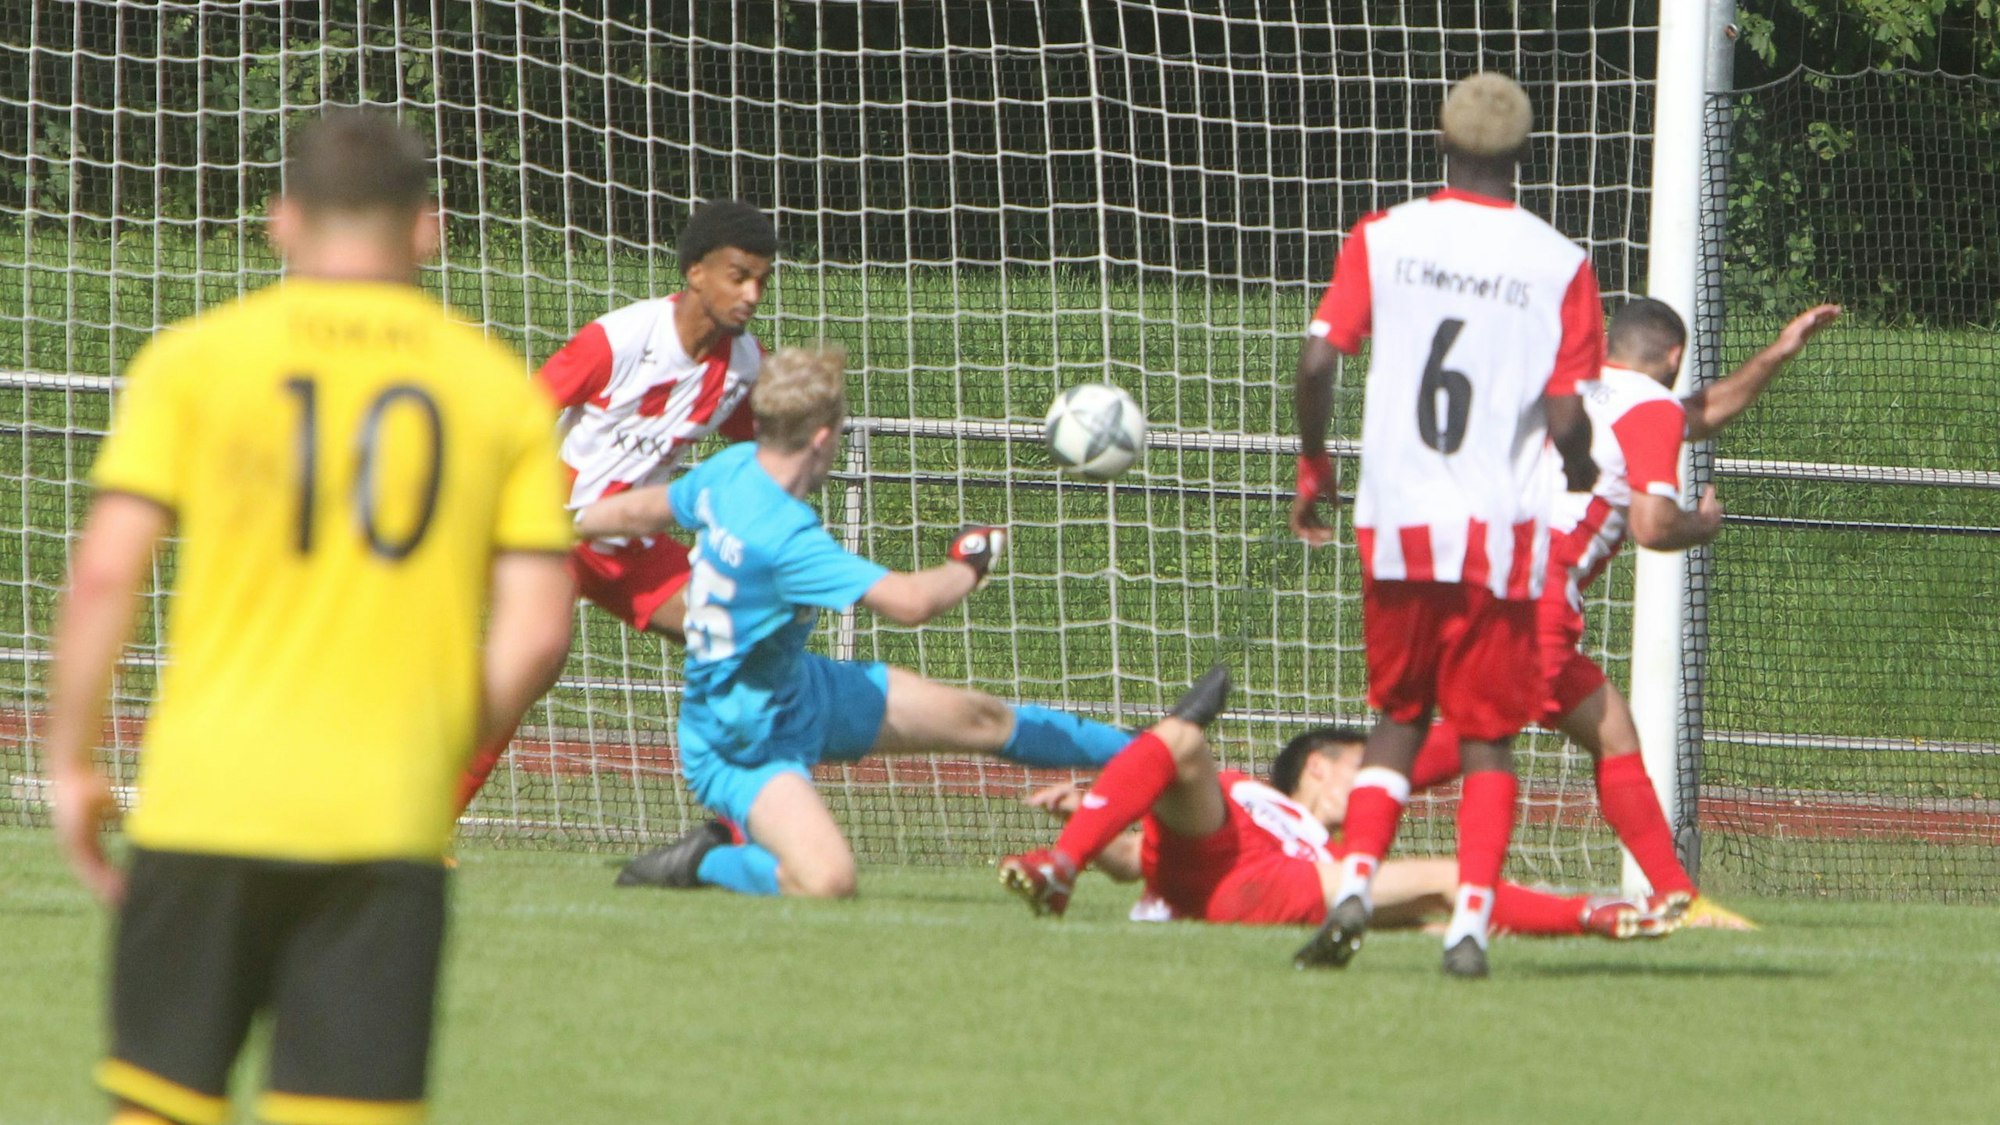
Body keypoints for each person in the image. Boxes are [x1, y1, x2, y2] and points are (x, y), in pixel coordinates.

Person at [44, 111, 576, 1125]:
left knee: (158, 1108)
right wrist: (433, 742)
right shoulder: (495, 389)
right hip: (384, 821)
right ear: (427, 227)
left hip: (205, 802)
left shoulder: (197, 359)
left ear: (281, 218)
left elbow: (106, 573)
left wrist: (71, 762)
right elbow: (539, 629)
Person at [577, 344, 1131, 898]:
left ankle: (1149, 753)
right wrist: (968, 565)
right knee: (827, 881)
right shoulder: (785, 537)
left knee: (982, 719)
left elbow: (640, 509)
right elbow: (910, 602)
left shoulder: (732, 470)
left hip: (803, 690)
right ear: (822, 439)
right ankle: (707, 860)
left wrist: (566, 520)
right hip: (740, 743)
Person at [1287, 72, 1603, 977]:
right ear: (1526, 151)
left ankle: (1354, 880)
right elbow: (1567, 417)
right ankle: (1468, 923)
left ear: (1439, 138)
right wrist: (1579, 468)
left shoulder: (1385, 235)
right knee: (1486, 736)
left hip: (1397, 522)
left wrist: (1315, 463)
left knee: (1397, 715)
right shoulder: (1560, 263)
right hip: (1496, 534)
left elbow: (1318, 360)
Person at [1415, 299, 1841, 930]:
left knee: (1614, 734)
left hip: (1478, 574)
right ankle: (1338, 798)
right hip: (1536, 592)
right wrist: (1702, 525)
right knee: (1479, 733)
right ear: (1675, 356)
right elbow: (1652, 525)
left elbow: (1703, 412)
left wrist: (1781, 351)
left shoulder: (1575, 391)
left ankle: (1678, 898)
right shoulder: (1650, 409)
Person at [454, 198, 776, 811]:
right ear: (696, 272)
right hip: (554, 528)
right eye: (739, 277)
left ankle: (749, 824)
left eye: (761, 281)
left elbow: (764, 447)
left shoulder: (743, 367)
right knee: (537, 657)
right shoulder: (621, 338)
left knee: (742, 639)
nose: (752, 295)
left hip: (629, 543)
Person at [1000, 670, 1669, 941]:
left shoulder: (1339, 857)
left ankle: (1595, 915)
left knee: (1448, 876)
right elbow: (1136, 860)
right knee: (1181, 738)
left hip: (1283, 885)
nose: (1380, 774)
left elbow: (1422, 915)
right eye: (1362, 760)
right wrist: (1091, 826)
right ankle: (1062, 865)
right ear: (1317, 765)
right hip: (1214, 856)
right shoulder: (1242, 789)